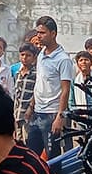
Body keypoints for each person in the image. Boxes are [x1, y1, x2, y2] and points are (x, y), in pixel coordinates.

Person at [30, 16, 73, 158]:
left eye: (42, 33)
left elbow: (65, 89)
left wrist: (60, 117)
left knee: (52, 158)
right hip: (37, 113)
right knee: (30, 155)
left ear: (53, 34)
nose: (39, 36)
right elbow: (39, 82)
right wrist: (31, 107)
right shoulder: (41, 54)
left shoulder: (63, 59)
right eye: (38, 32)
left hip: (52, 114)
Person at [12, 43, 38, 144]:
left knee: (28, 141)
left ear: (34, 57)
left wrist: (30, 108)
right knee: (18, 141)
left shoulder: (36, 74)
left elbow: (36, 92)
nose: (24, 58)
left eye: (28, 55)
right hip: (17, 112)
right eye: (22, 55)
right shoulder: (18, 73)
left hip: (29, 113)